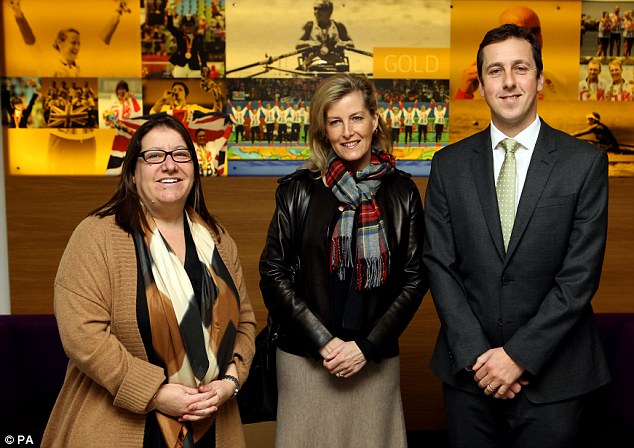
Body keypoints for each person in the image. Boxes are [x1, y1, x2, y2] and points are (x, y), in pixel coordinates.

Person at [424, 24, 610, 448]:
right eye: (495, 71)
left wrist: (518, 357)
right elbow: (439, 264)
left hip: (556, 380)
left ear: (540, 79)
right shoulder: (448, 165)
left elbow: (578, 276)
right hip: (469, 378)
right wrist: (480, 360)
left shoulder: (583, 164)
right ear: (482, 84)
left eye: (520, 68)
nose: (508, 81)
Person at [42, 115, 256, 447]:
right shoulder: (97, 236)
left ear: (193, 168)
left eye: (180, 154)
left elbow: (244, 322)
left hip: (213, 422)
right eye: (155, 155)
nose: (169, 165)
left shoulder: (218, 239)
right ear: (132, 172)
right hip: (122, 427)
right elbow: (82, 334)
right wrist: (155, 393)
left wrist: (230, 380)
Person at [259, 73, 427, 447]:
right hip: (306, 360)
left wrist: (365, 347)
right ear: (324, 130)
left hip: (374, 363)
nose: (348, 132)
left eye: (356, 118)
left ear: (374, 120)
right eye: (335, 121)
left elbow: (414, 280)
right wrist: (323, 342)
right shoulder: (297, 190)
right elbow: (273, 274)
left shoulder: (402, 192)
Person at [8, 0, 130, 77]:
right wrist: (18, 13)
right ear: (60, 43)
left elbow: (101, 43)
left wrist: (117, 13)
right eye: (73, 43)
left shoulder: (83, 69)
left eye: (79, 43)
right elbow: (31, 42)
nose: (77, 47)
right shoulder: (46, 65)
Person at [296, 0, 354, 71]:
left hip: (336, 61)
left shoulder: (339, 26)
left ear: (329, 12)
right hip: (314, 60)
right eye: (315, 9)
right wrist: (310, 43)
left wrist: (343, 43)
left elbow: (351, 44)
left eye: (320, 9)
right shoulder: (309, 26)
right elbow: (298, 44)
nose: (316, 12)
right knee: (317, 67)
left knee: (342, 67)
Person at [166, 13, 207, 78]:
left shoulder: (199, 37)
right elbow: (170, 27)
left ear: (194, 26)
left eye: (190, 25)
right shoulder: (179, 34)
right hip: (180, 65)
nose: (188, 27)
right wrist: (170, 14)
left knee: (195, 85)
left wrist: (204, 65)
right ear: (182, 26)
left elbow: (202, 52)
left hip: (194, 66)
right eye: (186, 25)